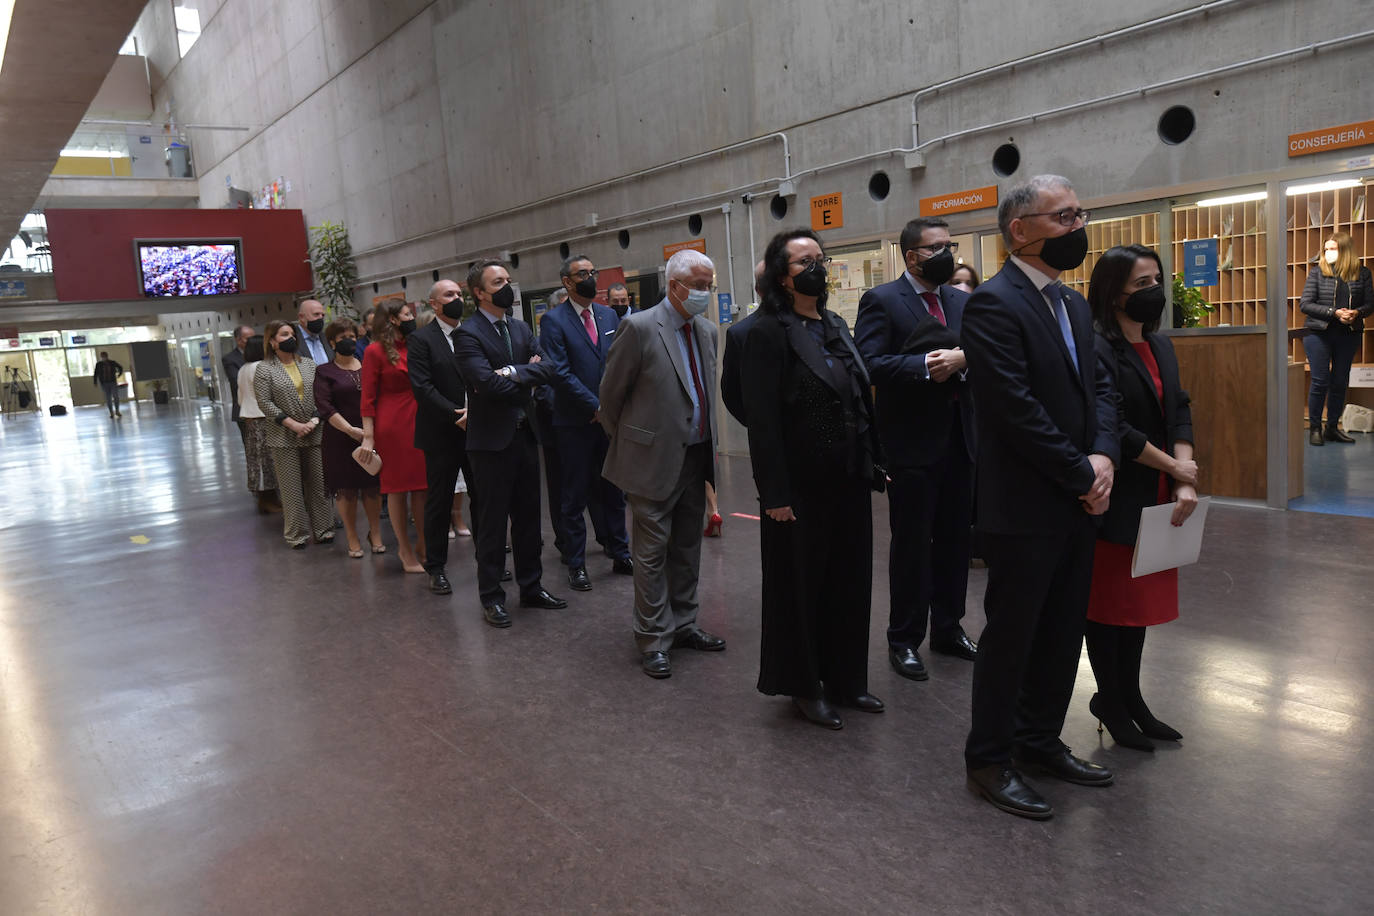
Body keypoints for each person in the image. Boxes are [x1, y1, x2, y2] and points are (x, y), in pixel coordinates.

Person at [960, 174, 1120, 820]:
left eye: (1079, 214)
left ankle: (1038, 740)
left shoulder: (1074, 304)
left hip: (1079, 500)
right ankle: (989, 758)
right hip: (1025, 507)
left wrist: (1105, 456)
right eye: (1062, 218)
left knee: (1062, 635)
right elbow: (1014, 412)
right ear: (1019, 231)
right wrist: (1083, 475)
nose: (1076, 228)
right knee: (1013, 638)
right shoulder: (993, 305)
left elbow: (1101, 389)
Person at [743, 228, 885, 728]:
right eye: (805, 261)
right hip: (798, 486)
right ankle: (804, 685)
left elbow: (857, 397)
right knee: (800, 587)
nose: (817, 268)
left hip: (847, 477)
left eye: (821, 258)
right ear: (782, 275)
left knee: (849, 583)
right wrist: (774, 493)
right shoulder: (764, 333)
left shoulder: (834, 324)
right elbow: (760, 421)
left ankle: (846, 680)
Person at [855, 217, 978, 683]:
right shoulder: (883, 300)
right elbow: (868, 363)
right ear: (911, 257)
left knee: (955, 541)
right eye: (936, 247)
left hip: (960, 440)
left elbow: (983, 354)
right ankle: (903, 638)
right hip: (911, 446)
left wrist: (964, 361)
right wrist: (925, 366)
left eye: (950, 244)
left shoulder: (960, 301)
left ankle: (948, 627)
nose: (947, 253)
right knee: (911, 545)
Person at [1085, 244, 1199, 751]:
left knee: (1139, 607)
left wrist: (1184, 476)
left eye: (1157, 280)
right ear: (1114, 296)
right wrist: (1173, 465)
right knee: (1110, 605)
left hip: (1159, 491)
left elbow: (1179, 407)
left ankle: (1130, 697)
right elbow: (1116, 427)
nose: (1154, 292)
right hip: (1118, 493)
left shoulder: (1162, 345)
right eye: (1142, 284)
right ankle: (1109, 697)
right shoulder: (1096, 347)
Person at [600, 248, 726, 679]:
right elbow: (610, 398)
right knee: (651, 553)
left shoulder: (707, 330)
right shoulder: (637, 327)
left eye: (710, 285)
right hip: (650, 460)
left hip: (695, 456)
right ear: (675, 286)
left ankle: (685, 623)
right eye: (700, 286)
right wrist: (637, 442)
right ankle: (653, 638)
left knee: (688, 547)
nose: (706, 293)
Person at [454, 258, 566, 627]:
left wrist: (516, 372)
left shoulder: (519, 327)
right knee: (492, 522)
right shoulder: (468, 334)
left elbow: (549, 367)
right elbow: (486, 384)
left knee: (529, 519)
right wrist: (523, 376)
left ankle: (531, 588)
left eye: (508, 279)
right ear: (479, 292)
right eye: (498, 281)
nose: (507, 286)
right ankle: (492, 597)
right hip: (490, 443)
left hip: (525, 435)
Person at [538, 254, 634, 592]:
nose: (591, 278)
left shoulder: (609, 315)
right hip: (574, 422)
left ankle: (621, 552)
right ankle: (577, 564)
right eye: (583, 274)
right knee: (575, 495)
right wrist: (595, 405)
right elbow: (559, 372)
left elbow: (620, 362)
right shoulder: (553, 321)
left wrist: (611, 406)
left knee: (614, 490)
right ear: (567, 281)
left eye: (593, 272)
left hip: (609, 421)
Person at [408, 279, 474, 595]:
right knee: (440, 499)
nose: (456, 299)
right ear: (434, 304)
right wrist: (455, 414)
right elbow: (423, 387)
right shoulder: (422, 340)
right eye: (449, 295)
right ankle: (436, 567)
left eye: (459, 294)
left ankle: (491, 559)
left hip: (477, 429)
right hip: (441, 430)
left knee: (484, 495)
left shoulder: (472, 333)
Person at [360, 300, 429, 573]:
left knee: (423, 486)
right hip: (392, 423)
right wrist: (368, 436)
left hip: (420, 417)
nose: (412, 317)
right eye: (407, 314)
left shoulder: (416, 345)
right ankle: (404, 548)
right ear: (392, 319)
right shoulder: (374, 352)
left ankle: (424, 543)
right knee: (398, 489)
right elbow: (367, 397)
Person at [254, 321, 333, 548]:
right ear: (272, 341)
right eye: (284, 334)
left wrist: (314, 420)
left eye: (292, 334)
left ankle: (324, 529)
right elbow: (264, 402)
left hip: (314, 431)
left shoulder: (309, 365)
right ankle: (297, 534)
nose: (290, 338)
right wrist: (293, 425)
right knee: (291, 489)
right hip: (284, 436)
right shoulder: (264, 368)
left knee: (319, 484)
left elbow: (322, 394)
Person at [314, 319, 383, 558]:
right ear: (332, 341)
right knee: (347, 490)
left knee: (373, 487)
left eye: (352, 336)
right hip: (340, 438)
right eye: (342, 336)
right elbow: (325, 407)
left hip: (371, 435)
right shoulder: (324, 371)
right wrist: (351, 431)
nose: (349, 340)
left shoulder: (368, 366)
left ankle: (375, 533)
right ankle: (352, 536)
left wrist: (369, 432)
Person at [1301, 230, 1373, 445]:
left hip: (1348, 335)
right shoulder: (1317, 273)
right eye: (1326, 249)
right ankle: (1315, 427)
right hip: (1318, 334)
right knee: (1320, 381)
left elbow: (1370, 303)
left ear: (1345, 250)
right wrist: (1334, 312)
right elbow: (1305, 304)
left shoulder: (1363, 273)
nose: (1328, 253)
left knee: (1340, 382)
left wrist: (1356, 313)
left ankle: (1332, 427)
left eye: (1333, 249)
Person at [533, 288, 573, 566]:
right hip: (554, 422)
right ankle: (565, 541)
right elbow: (542, 384)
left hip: (583, 420)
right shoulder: (541, 341)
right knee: (559, 487)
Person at [235, 334, 281, 514]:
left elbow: (240, 397)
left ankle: (266, 499)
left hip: (250, 419)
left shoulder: (243, 368)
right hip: (263, 418)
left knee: (257, 461)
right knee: (268, 461)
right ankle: (269, 500)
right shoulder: (262, 367)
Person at [223, 325, 254, 442]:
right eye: (248, 338)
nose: (252, 341)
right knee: (251, 446)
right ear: (238, 339)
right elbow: (237, 382)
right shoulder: (230, 359)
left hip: (264, 411)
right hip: (244, 410)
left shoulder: (263, 355)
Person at [295, 299, 333, 366]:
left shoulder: (327, 338)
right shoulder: (292, 338)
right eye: (316, 314)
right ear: (301, 317)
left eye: (323, 315)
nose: (320, 318)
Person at [93, 351, 124, 417]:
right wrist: (95, 382)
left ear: (107, 356)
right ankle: (111, 412)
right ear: (101, 357)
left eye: (105, 356)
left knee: (115, 396)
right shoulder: (99, 364)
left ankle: (117, 411)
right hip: (104, 383)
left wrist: (119, 374)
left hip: (112, 382)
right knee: (108, 398)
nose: (104, 358)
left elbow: (120, 367)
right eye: (102, 357)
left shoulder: (112, 363)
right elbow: (96, 373)